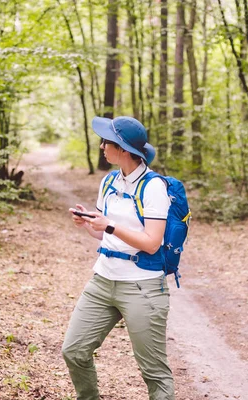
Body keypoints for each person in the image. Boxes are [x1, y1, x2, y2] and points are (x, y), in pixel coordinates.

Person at [62, 116, 174, 400]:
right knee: (74, 350)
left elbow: (151, 243)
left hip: (143, 287)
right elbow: (105, 236)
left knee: (154, 372)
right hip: (103, 280)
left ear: (123, 149)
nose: (101, 146)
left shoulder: (153, 187)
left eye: (106, 142)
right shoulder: (109, 181)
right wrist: (89, 223)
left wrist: (109, 225)